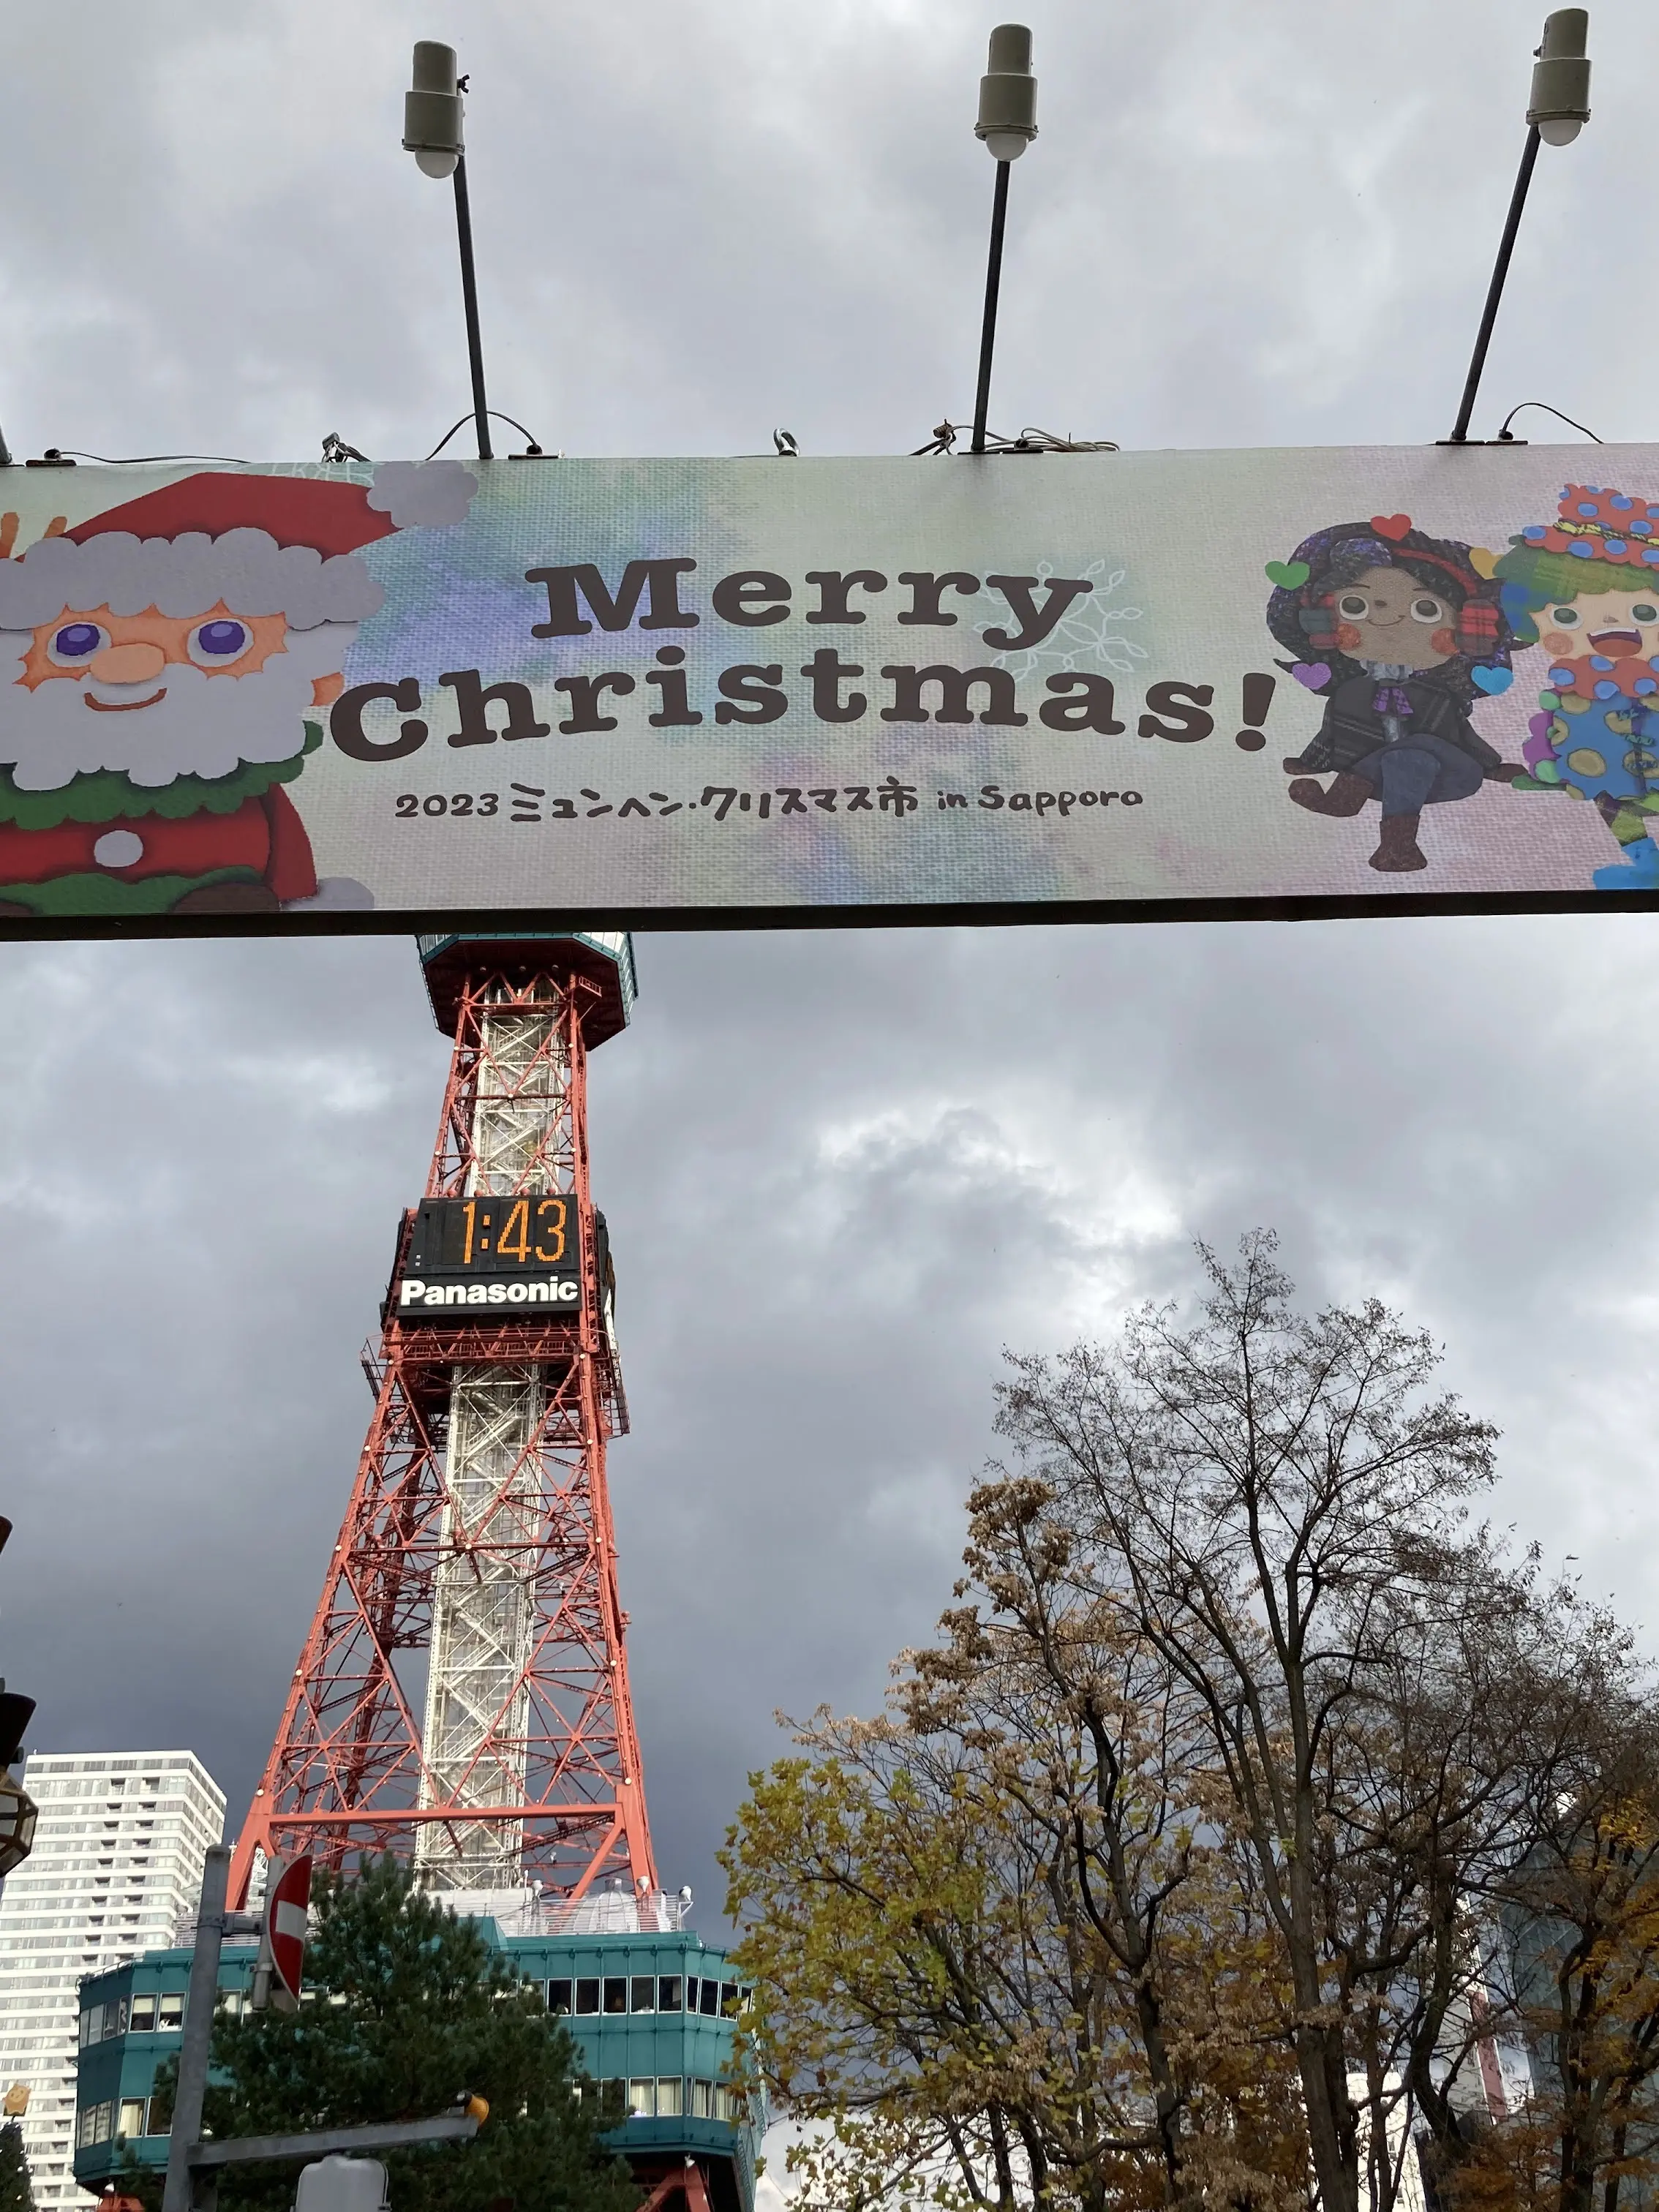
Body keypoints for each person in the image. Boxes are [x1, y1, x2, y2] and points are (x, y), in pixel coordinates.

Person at [0, 460, 474, 916]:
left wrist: (295, 893)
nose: (129, 667)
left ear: (316, 679)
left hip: (217, 895)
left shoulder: (234, 769)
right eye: (77, 639)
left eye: (219, 639)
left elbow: (286, 841)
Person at [1265, 517, 1522, 873]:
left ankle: (1343, 799)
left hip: (1446, 778)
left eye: (1425, 609)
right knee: (1412, 754)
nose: (1389, 620)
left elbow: (1464, 736)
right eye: (1356, 606)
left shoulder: (1437, 695)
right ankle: (1398, 846)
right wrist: (1312, 762)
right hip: (1381, 783)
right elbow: (1331, 732)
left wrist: (1492, 767)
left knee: (1420, 750)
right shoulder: (1352, 691)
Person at [1494, 482, 1659, 891]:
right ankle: (1646, 859)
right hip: (1603, 759)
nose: (1610, 627)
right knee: (1611, 801)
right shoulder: (1576, 687)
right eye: (1567, 617)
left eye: (1643, 611)